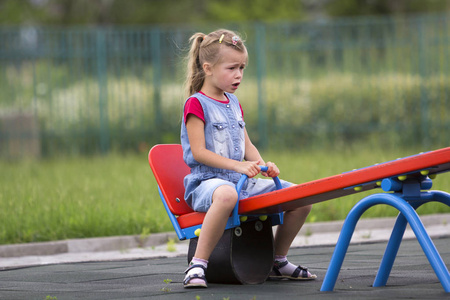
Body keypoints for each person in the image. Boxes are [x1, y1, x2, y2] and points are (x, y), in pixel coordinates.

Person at [181, 28, 316, 288]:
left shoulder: (233, 102)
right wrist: (238, 166)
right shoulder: (196, 104)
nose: (239, 75)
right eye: (232, 68)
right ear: (208, 68)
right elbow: (198, 153)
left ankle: (277, 261)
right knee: (227, 195)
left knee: (301, 198)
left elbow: (246, 144)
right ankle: (197, 265)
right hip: (208, 183)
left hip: (242, 181)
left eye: (242, 68)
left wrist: (263, 165)